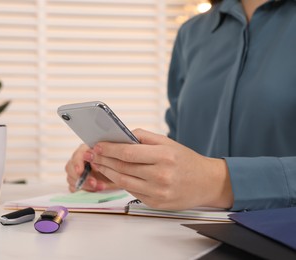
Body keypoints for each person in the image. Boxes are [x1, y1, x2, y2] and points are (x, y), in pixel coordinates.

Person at [64, 0, 296, 212]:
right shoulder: (192, 32)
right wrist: (127, 171)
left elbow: (202, 175)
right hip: (190, 238)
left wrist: (217, 182)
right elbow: (184, 150)